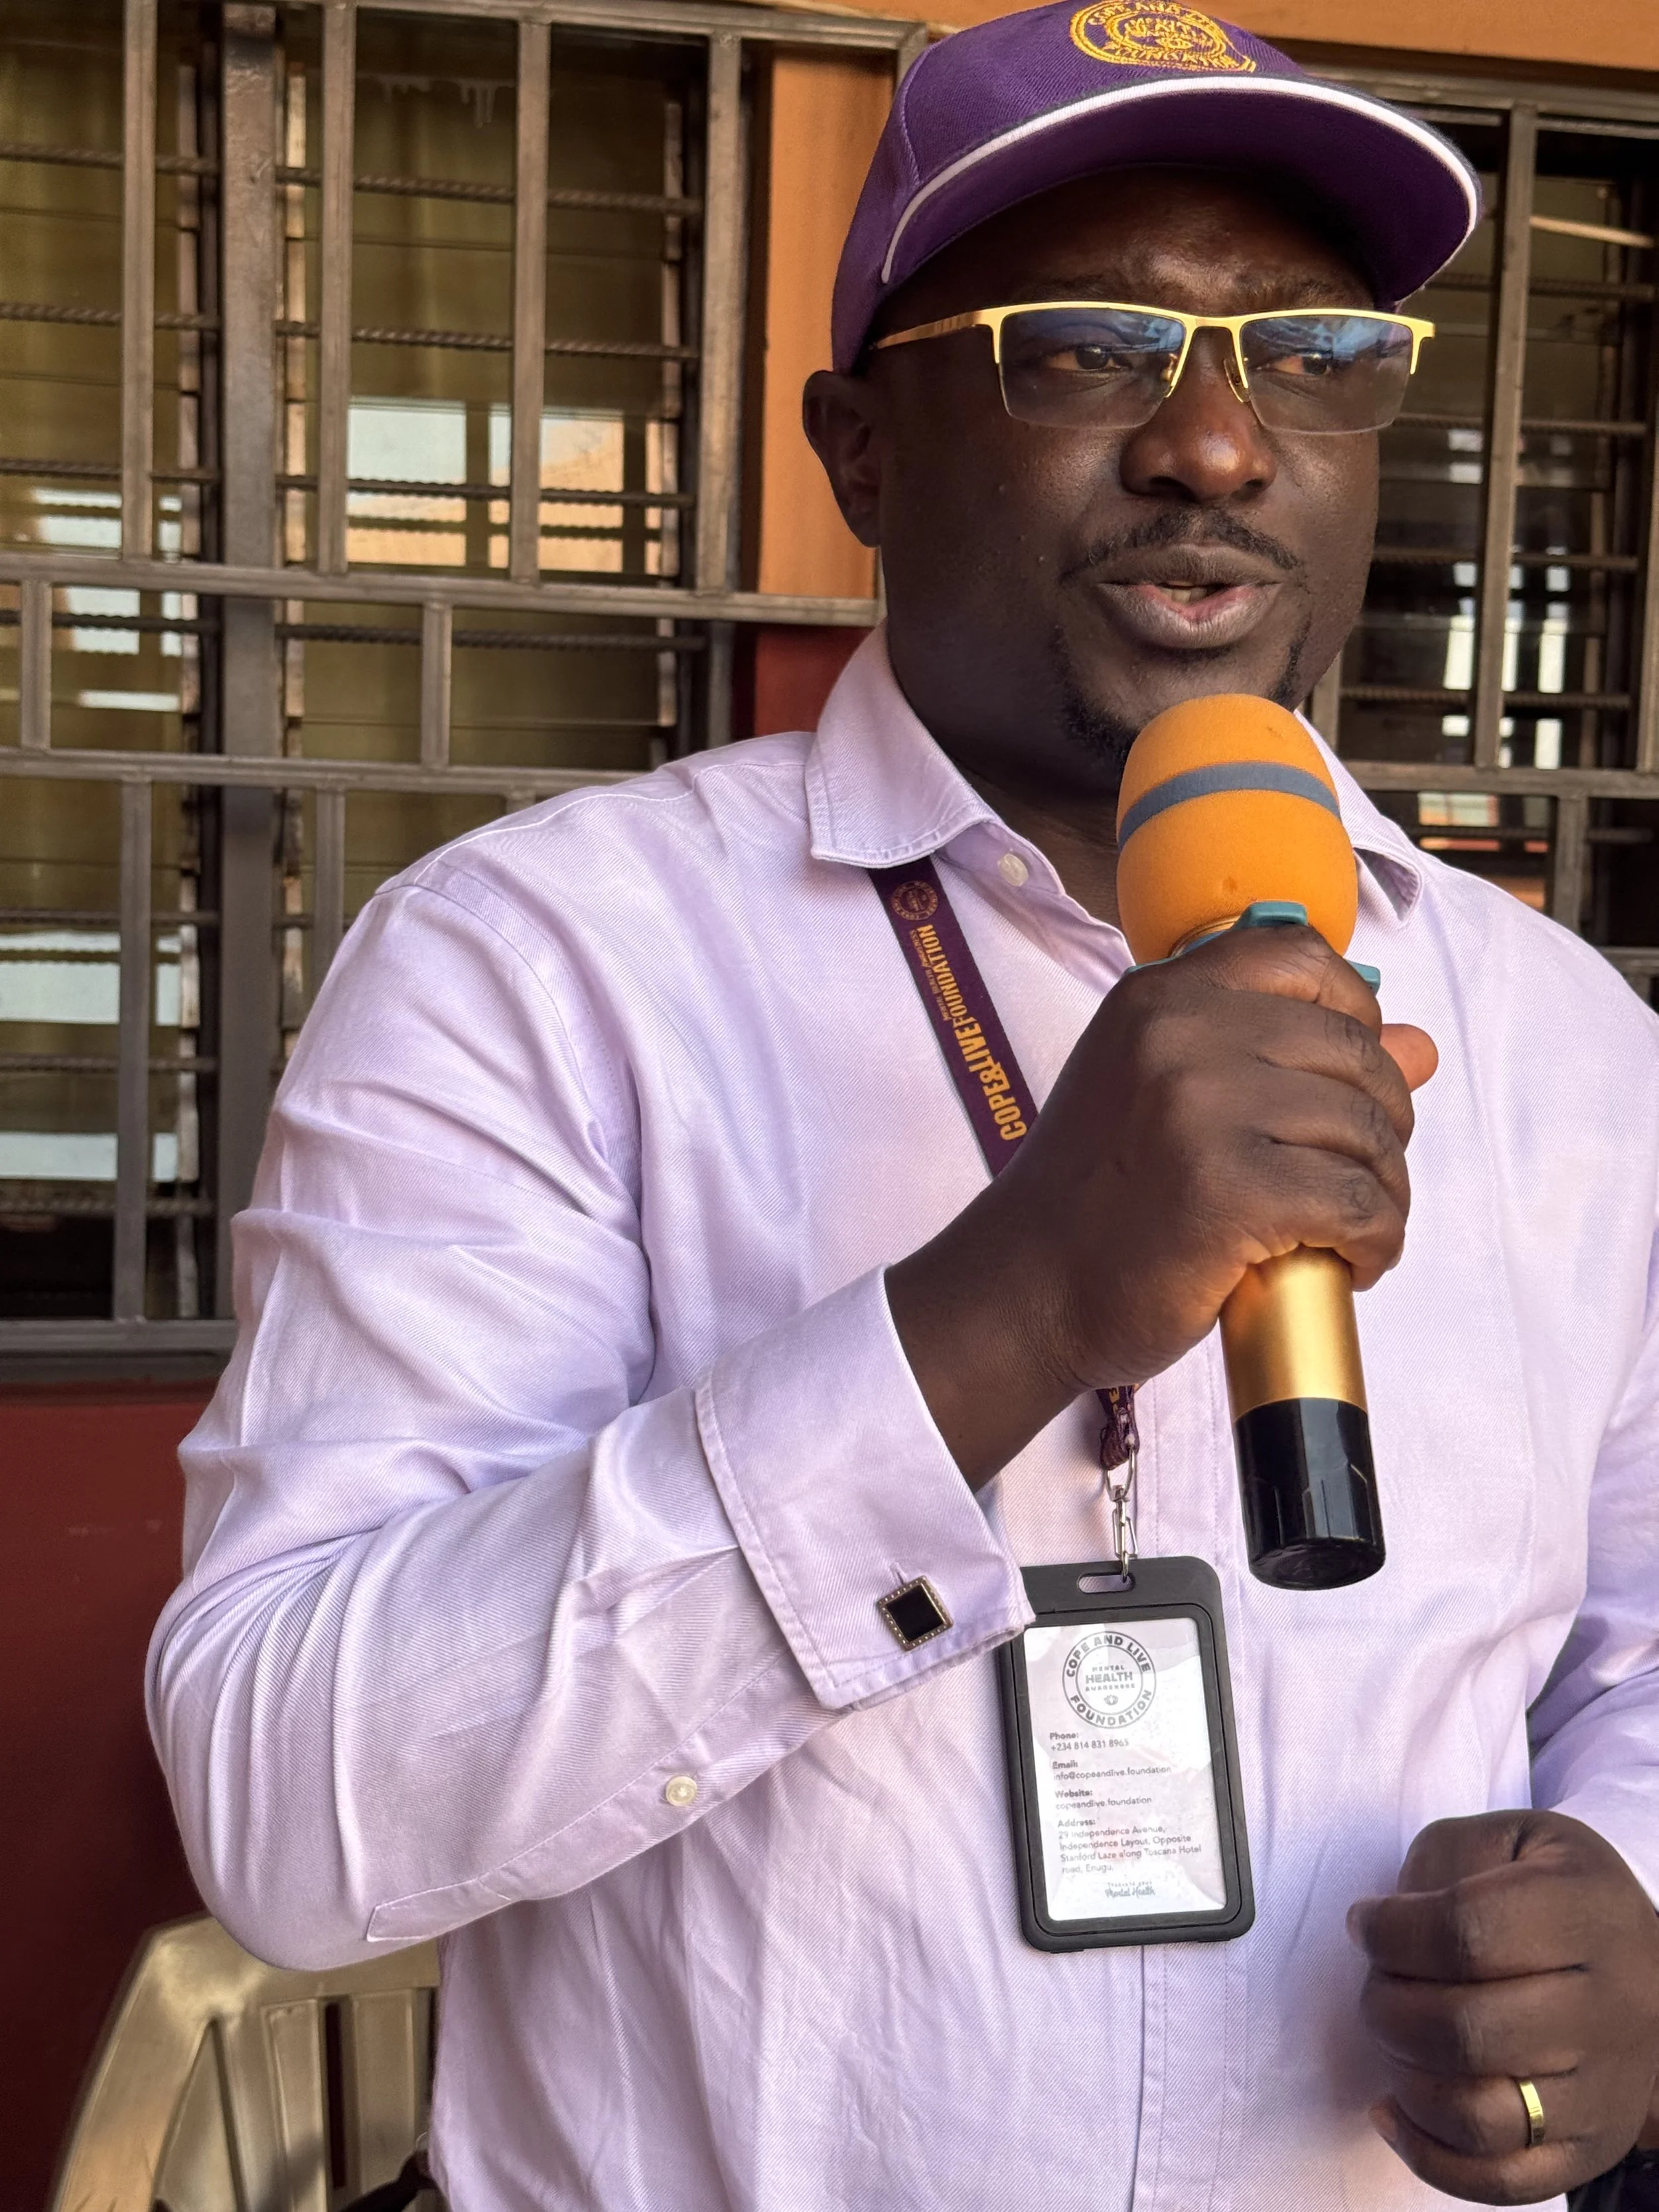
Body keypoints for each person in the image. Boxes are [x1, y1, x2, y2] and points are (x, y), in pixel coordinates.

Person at [148, 7, 1659, 2207]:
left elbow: (1639, 1638)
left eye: (1313, 351)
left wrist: (1626, 1903)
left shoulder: (1559, 1032)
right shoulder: (540, 965)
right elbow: (295, 1813)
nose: (1217, 449)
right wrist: (1011, 1303)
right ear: (859, 448)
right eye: (1082, 350)